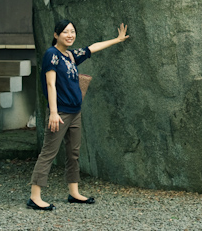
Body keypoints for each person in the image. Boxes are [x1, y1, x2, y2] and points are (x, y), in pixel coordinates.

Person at [27, 19, 129, 210]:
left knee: (73, 153)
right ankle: (35, 196)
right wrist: (54, 112)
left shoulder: (71, 56)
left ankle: (74, 193)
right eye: (65, 32)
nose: (70, 35)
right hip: (60, 112)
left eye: (72, 31)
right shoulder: (52, 55)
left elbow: (92, 48)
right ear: (56, 35)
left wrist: (117, 40)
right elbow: (50, 84)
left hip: (75, 112)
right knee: (48, 152)